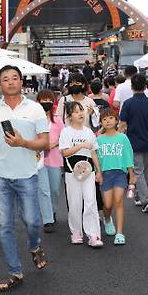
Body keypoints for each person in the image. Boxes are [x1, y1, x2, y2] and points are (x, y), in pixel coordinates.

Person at [0, 65, 50, 292]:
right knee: (5, 226)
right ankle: (15, 272)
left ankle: (34, 245)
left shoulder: (35, 109)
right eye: (6, 79)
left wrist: (24, 143)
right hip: (0, 176)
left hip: (27, 174)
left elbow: (45, 142)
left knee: (32, 221)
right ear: (0, 84)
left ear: (21, 82)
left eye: (15, 78)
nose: (10, 82)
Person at [59, 101, 104, 247]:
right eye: (76, 111)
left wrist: (98, 171)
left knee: (91, 201)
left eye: (81, 110)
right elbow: (65, 152)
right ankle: (76, 232)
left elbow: (93, 153)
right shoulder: (66, 132)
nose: (80, 113)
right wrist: (80, 145)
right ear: (69, 116)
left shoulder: (89, 132)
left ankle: (93, 235)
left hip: (88, 170)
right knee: (75, 203)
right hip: (72, 171)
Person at [118, 73, 148, 213]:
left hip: (133, 142)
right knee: (144, 171)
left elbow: (122, 124)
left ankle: (145, 200)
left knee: (139, 171)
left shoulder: (128, 104)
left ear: (132, 87)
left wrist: (119, 139)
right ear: (145, 86)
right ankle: (140, 196)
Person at [96, 108, 136, 245]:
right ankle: (107, 219)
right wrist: (98, 172)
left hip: (120, 173)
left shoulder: (123, 138)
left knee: (118, 201)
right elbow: (96, 159)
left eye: (111, 118)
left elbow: (128, 156)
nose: (108, 121)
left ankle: (119, 233)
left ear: (116, 120)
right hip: (106, 174)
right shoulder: (99, 140)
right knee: (107, 204)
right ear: (101, 122)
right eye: (104, 119)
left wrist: (131, 174)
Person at [36, 89, 64, 233]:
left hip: (54, 158)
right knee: (43, 189)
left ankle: (52, 210)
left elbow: (64, 137)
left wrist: (54, 144)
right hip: (39, 159)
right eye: (43, 100)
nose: (46, 103)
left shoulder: (57, 119)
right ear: (38, 101)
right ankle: (47, 219)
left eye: (49, 100)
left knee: (54, 189)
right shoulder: (33, 119)